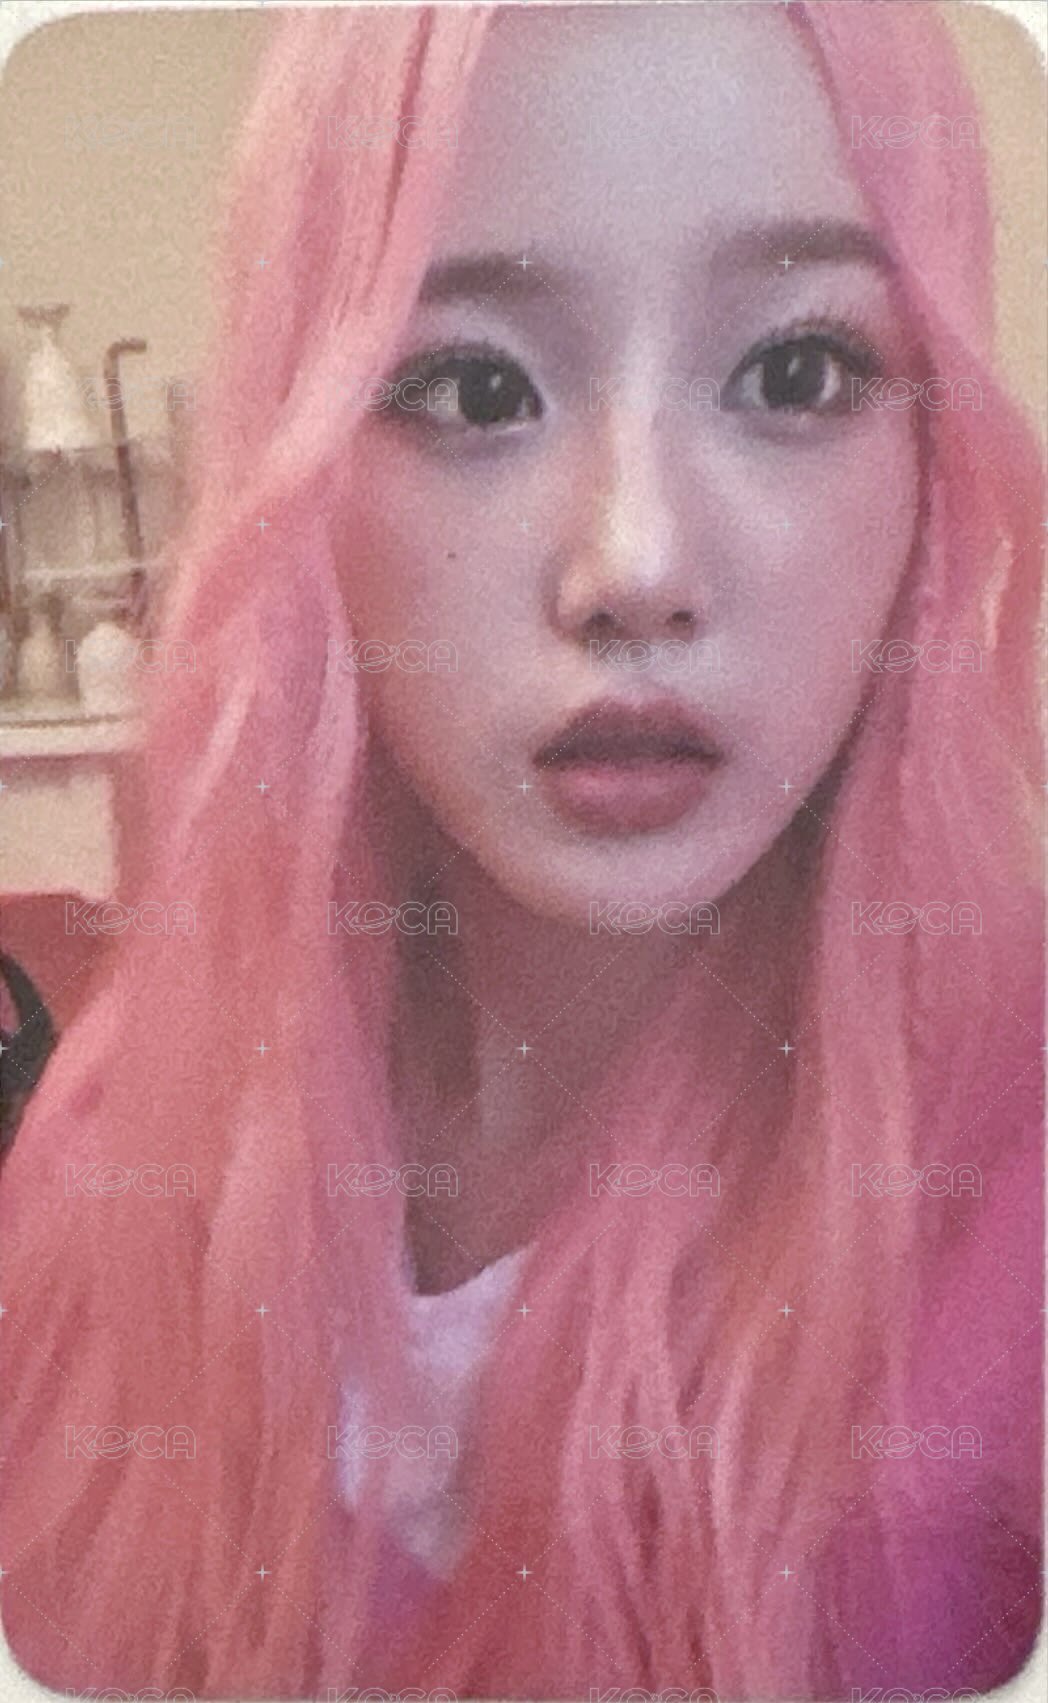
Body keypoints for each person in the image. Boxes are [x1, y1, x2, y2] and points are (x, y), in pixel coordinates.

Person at [1, 4, 1042, 1698]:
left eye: (795, 373)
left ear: (934, 452)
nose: (635, 565)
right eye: (475, 387)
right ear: (300, 467)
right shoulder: (114, 1142)